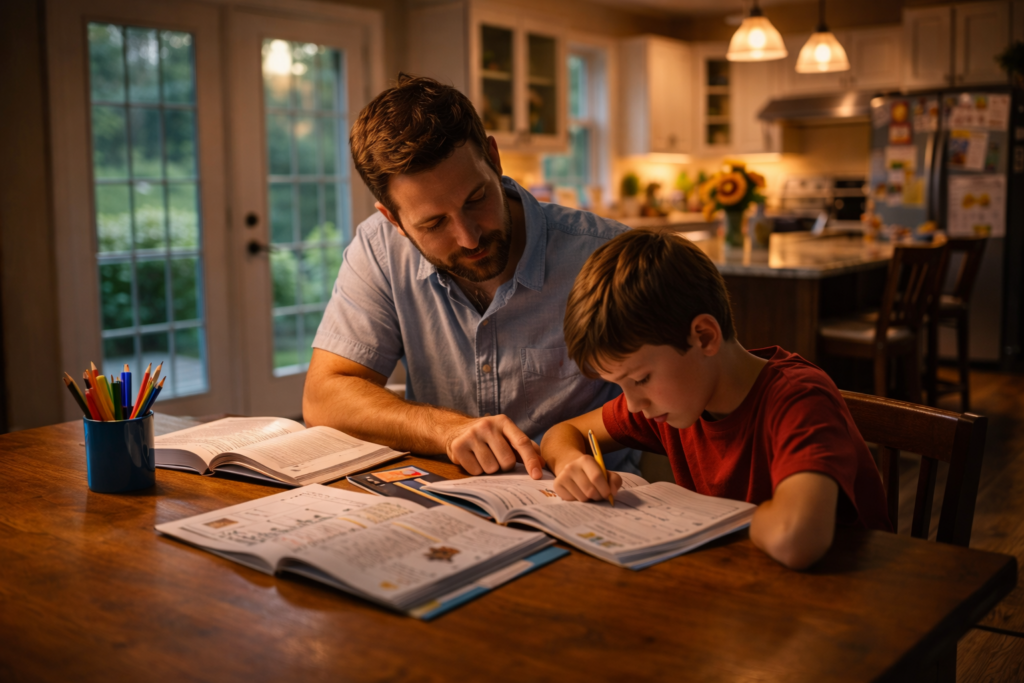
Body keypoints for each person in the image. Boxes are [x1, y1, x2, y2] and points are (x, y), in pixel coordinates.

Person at [303, 74, 638, 478]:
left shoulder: (604, 254)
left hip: (594, 505)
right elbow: (324, 397)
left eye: (476, 198)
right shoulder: (379, 251)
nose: (468, 236)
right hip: (448, 503)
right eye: (433, 223)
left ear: (494, 158)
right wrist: (446, 430)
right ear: (393, 219)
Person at [539, 230, 892, 570]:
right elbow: (563, 432)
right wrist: (571, 462)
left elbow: (794, 539)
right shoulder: (672, 400)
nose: (632, 405)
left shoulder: (800, 400)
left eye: (640, 379)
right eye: (620, 385)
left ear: (704, 336)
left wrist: (707, 517)